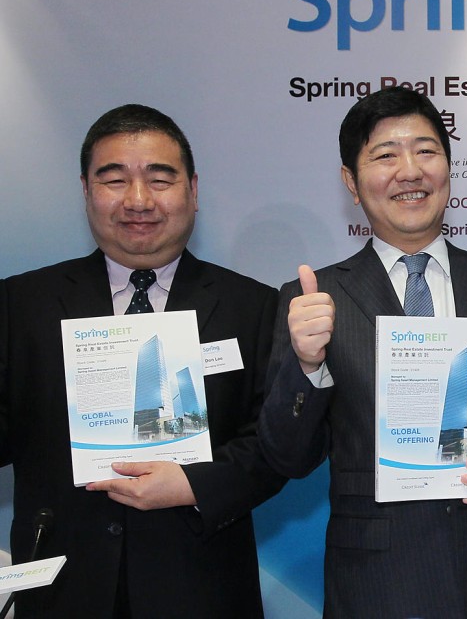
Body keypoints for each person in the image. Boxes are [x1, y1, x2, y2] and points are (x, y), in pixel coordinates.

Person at [257, 86, 467, 618]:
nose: (410, 170)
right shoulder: (313, 299)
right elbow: (287, 457)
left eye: (426, 151)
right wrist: (307, 367)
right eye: (385, 155)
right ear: (351, 182)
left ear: (449, 167)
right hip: (379, 580)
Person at [0, 104, 286, 618]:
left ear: (193, 192)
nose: (138, 200)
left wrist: (196, 484)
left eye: (160, 179)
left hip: (202, 586)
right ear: (86, 191)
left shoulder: (256, 307)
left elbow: (276, 446)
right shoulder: (19, 304)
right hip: (63, 590)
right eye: (113, 180)